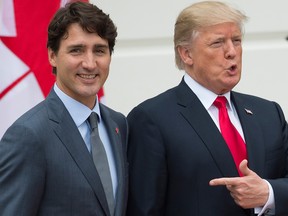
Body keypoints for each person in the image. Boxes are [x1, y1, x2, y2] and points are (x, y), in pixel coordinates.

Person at [126, 1, 288, 216]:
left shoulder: (269, 113)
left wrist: (268, 193)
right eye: (218, 43)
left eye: (237, 41)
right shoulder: (151, 119)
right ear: (186, 54)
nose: (231, 52)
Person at [0, 2, 128, 216]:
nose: (89, 63)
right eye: (76, 50)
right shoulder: (28, 135)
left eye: (99, 50)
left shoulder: (118, 124)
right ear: (52, 55)